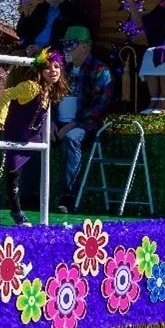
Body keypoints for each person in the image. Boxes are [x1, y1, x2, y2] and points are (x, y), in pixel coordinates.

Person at [0, 49, 69, 226]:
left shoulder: (49, 89)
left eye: (57, 67)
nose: (53, 71)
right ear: (40, 71)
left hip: (33, 134)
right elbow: (7, 94)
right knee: (13, 172)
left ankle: (25, 207)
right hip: (17, 131)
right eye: (48, 68)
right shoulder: (31, 87)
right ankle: (16, 211)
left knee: (31, 166)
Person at [54, 26, 114, 213]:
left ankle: (68, 197)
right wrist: (50, 123)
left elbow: (99, 107)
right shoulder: (61, 70)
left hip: (85, 125)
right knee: (31, 138)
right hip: (58, 124)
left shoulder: (99, 70)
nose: (67, 49)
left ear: (85, 47)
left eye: (71, 44)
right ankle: (27, 196)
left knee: (72, 139)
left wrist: (73, 124)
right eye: (65, 44)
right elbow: (48, 99)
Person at [16, 0, 86, 55]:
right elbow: (21, 32)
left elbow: (73, 43)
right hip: (29, 52)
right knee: (13, 57)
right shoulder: (41, 8)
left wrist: (43, 50)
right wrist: (26, 11)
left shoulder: (74, 13)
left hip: (54, 58)